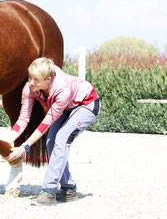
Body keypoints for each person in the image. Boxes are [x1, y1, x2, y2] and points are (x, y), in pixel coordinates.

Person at [5, 57, 100, 206]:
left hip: (87, 104)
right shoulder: (29, 88)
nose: (31, 82)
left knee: (61, 139)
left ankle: (49, 192)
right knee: (50, 142)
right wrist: (7, 140)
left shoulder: (63, 90)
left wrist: (24, 148)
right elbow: (23, 119)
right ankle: (69, 188)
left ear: (48, 79)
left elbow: (44, 125)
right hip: (67, 107)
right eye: (30, 77)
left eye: (36, 79)